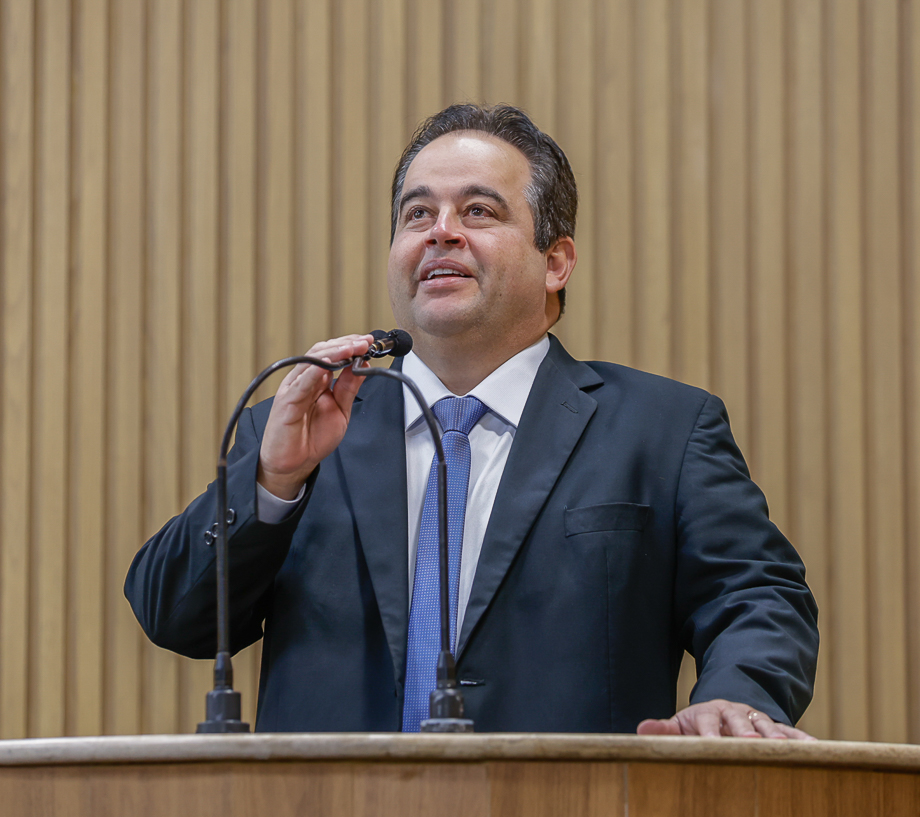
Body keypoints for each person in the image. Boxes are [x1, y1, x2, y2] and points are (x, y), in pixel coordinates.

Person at [126, 104, 818, 738]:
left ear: (556, 262)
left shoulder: (662, 431)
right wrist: (271, 481)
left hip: (572, 815)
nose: (441, 232)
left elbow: (758, 594)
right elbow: (173, 615)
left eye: (479, 211)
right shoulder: (300, 431)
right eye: (417, 214)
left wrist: (736, 696)